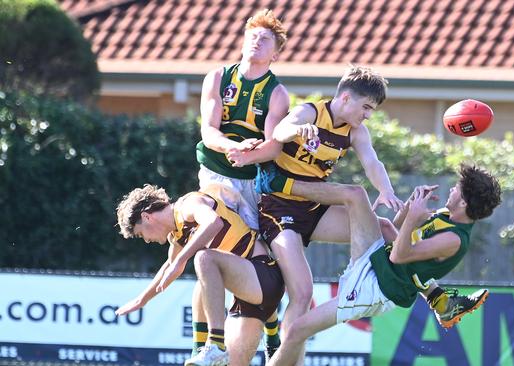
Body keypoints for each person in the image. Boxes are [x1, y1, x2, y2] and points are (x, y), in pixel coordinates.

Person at [229, 65, 404, 363]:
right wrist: (298, 130)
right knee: (302, 293)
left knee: (384, 228)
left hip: (314, 207)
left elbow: (372, 163)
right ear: (346, 98)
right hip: (279, 209)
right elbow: (281, 131)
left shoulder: (356, 132)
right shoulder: (311, 113)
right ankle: (284, 359)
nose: (368, 115)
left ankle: (421, 291)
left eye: (371, 110)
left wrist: (386, 190)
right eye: (366, 107)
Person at [263, 164, 501, 365]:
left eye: (457, 189)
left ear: (463, 204)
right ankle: (441, 302)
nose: (451, 188)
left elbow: (399, 255)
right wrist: (411, 206)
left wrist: (415, 218)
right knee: (356, 196)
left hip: (376, 290)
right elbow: (395, 230)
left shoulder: (453, 239)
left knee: (295, 331)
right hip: (376, 263)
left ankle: (280, 185)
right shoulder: (444, 215)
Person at [193, 8, 290, 358]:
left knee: (255, 257)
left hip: (250, 183)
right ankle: (203, 346)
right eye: (252, 35)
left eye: (264, 39)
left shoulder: (277, 94)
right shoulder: (218, 77)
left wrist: (250, 155)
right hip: (214, 176)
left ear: (275, 53)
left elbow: (273, 146)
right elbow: (208, 130)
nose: (256, 41)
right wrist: (235, 148)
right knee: (204, 252)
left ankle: (272, 326)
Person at [114, 184, 284, 366]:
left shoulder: (188, 205)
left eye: (142, 234)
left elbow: (214, 222)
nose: (147, 240)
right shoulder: (177, 234)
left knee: (204, 260)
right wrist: (142, 300)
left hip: (263, 276)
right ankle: (272, 333)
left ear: (146, 216)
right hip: (248, 294)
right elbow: (169, 268)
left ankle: (213, 344)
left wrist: (181, 259)